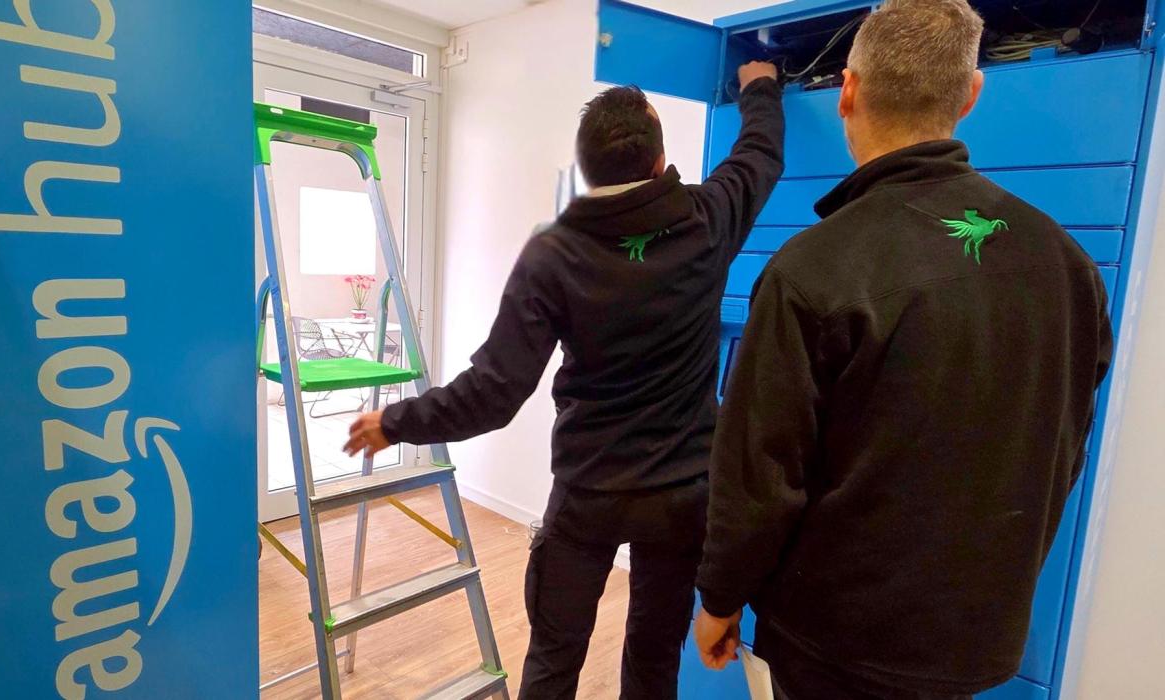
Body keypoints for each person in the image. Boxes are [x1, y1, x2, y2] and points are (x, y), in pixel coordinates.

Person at [692, 2, 1114, 699]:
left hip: (834, 646)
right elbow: (1062, 442)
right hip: (975, 638)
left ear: (848, 91)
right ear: (972, 96)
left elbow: (759, 476)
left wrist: (718, 597)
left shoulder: (813, 268)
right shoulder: (1067, 265)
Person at [343, 61, 785, 699]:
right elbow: (759, 155)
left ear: (587, 171)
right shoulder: (706, 221)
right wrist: (761, 86)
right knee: (654, 658)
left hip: (589, 494)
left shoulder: (554, 254)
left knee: (553, 662)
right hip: (682, 499)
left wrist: (395, 421)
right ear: (660, 163)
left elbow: (493, 394)